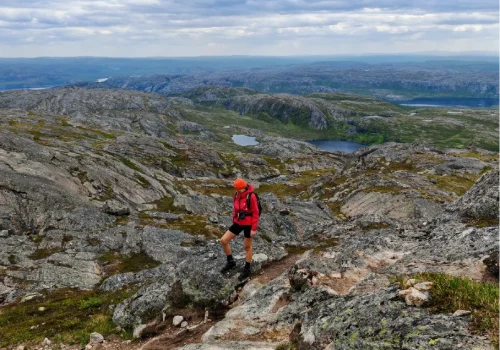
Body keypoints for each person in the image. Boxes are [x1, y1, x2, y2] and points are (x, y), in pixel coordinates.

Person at [220, 178, 260, 280]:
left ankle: (247, 269)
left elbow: (255, 213)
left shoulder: (252, 196)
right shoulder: (237, 194)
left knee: (247, 246)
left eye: (239, 189)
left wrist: (254, 229)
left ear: (244, 187)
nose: (237, 190)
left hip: (249, 224)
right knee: (224, 240)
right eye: (236, 189)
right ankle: (231, 261)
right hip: (238, 222)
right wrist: (234, 219)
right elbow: (235, 209)